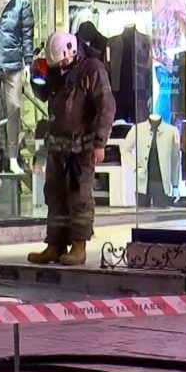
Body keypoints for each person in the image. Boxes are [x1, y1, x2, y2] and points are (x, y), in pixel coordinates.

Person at [27, 31, 114, 267]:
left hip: (81, 149)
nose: (61, 66)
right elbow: (44, 95)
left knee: (79, 197)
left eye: (63, 61)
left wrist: (100, 142)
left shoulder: (92, 69)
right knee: (54, 195)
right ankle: (54, 245)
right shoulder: (57, 68)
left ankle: (79, 245)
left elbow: (106, 106)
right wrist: (37, 77)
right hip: (57, 146)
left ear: (71, 50)